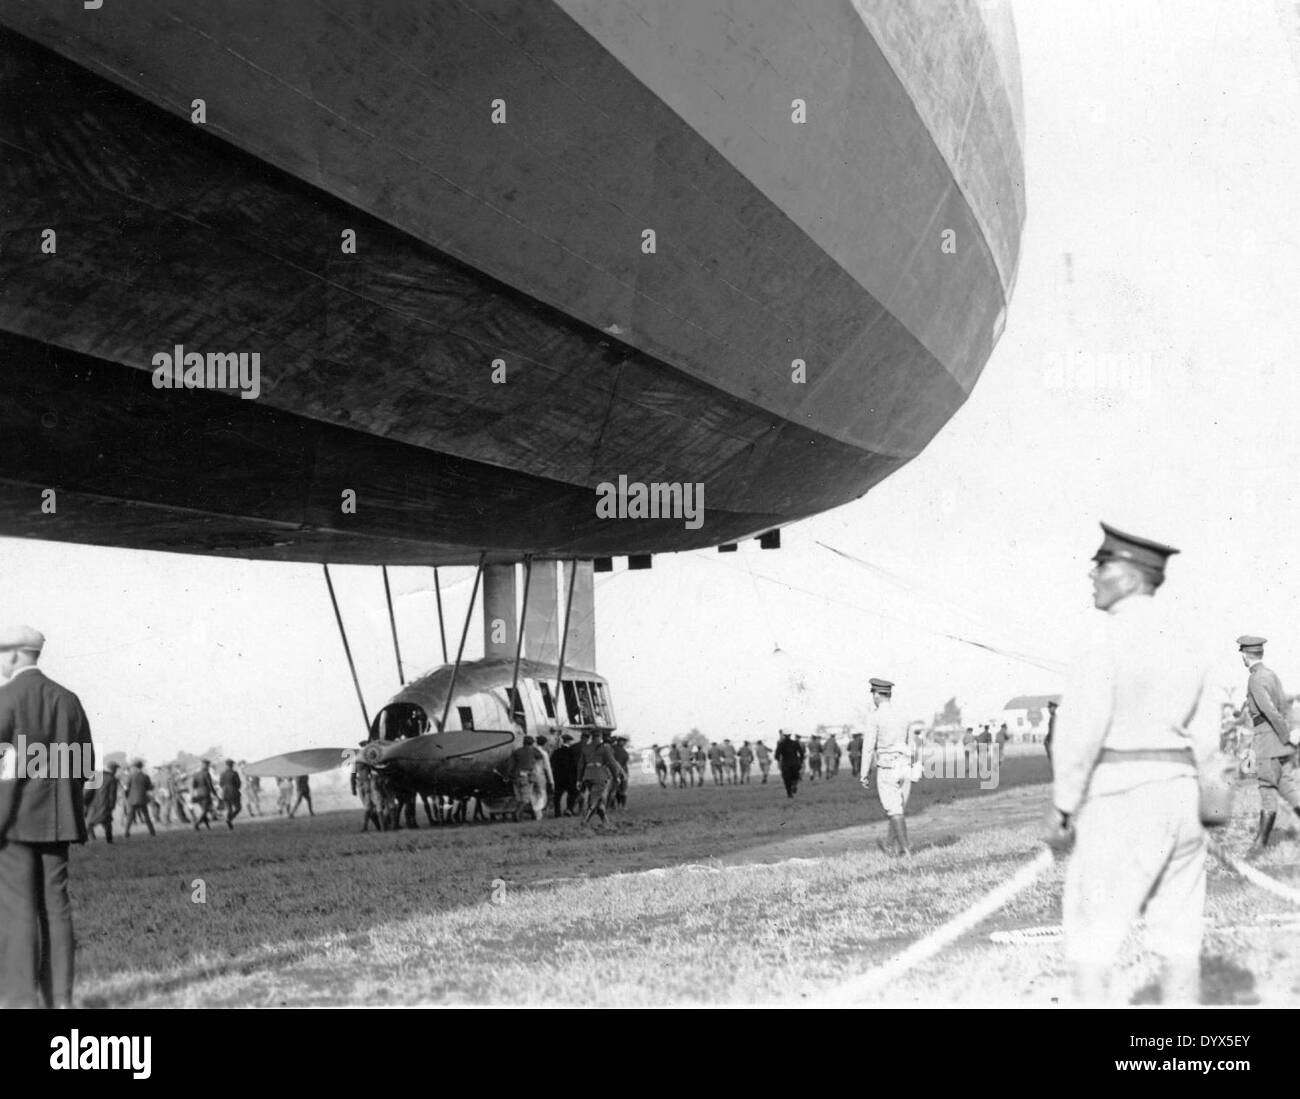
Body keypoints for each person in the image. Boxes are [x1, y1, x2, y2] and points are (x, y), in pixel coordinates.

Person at [1044, 522, 1218, 1004]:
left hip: (1121, 799)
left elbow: (1079, 733)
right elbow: (1209, 742)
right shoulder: (1189, 643)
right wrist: (1209, 807)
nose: (1092, 575)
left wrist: (1062, 809)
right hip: (1183, 800)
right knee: (1179, 944)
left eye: (1101, 565)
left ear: (1130, 575)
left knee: (1091, 945)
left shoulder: (1103, 637)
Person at [0, 625, 94, 1009]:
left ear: (14, 654)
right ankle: (61, 1001)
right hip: (58, 823)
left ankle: (22, 1001)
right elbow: (88, 767)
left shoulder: (5, 699)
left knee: (17, 911)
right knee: (56, 909)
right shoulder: (69, 700)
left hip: (13, 824)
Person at [1236, 635, 1300, 855]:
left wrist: (1285, 735)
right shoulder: (1272, 675)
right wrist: (1291, 734)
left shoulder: (1254, 679)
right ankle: (1259, 846)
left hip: (1268, 744)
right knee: (1289, 789)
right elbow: (1284, 706)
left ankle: (1257, 849)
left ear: (1245, 655)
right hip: (1283, 747)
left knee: (1267, 791)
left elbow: (1270, 711)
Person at [861, 678, 914, 857]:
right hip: (905, 765)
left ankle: (906, 851)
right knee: (898, 807)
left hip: (887, 766)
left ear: (876, 694)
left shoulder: (874, 717)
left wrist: (864, 772)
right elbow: (912, 744)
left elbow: (868, 747)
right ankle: (889, 845)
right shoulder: (905, 715)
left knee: (894, 809)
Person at [578, 731, 626, 826]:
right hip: (599, 775)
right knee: (595, 799)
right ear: (600, 737)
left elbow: (580, 765)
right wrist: (616, 776)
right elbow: (612, 763)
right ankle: (585, 820)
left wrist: (579, 779)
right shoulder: (604, 748)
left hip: (587, 776)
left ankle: (605, 821)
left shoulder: (585, 748)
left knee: (598, 799)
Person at [507, 736, 550, 821]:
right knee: (525, 799)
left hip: (516, 777)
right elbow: (540, 756)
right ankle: (516, 814)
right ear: (532, 743)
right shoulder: (532, 751)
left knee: (519, 798)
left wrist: (511, 775)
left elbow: (510, 766)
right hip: (527, 776)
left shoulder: (517, 751)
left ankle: (519, 816)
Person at [84, 761, 120, 844]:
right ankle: (109, 840)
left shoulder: (96, 776)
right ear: (113, 769)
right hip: (105, 805)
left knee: (90, 823)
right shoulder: (112, 779)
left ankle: (85, 839)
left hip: (93, 804)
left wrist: (85, 801)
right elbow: (112, 795)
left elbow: (88, 790)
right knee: (107, 823)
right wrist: (112, 806)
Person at [123, 759, 156, 837]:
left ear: (135, 767)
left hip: (132, 799)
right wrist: (152, 786)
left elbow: (126, 788)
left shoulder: (130, 776)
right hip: (142, 799)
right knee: (146, 816)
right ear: (141, 767)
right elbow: (149, 788)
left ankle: (126, 833)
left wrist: (127, 796)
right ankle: (152, 832)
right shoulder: (146, 776)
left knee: (130, 817)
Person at [551, 733, 579, 816]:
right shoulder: (572, 752)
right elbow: (574, 765)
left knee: (557, 795)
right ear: (569, 741)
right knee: (572, 793)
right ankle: (569, 809)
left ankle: (557, 812)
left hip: (558, 777)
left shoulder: (556, 752)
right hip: (569, 777)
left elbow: (552, 763)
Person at [774, 730, 804, 798]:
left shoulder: (781, 744)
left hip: (785, 764)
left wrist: (779, 760)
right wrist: (800, 761)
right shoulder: (795, 743)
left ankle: (789, 793)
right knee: (795, 777)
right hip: (795, 763)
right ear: (790, 735)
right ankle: (794, 785)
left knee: (787, 779)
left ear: (784, 735)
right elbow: (801, 754)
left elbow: (776, 755)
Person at [190, 759, 216, 830]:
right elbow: (210, 785)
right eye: (208, 765)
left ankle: (207, 826)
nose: (208, 767)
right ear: (206, 765)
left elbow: (193, 786)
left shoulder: (196, 774)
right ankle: (197, 824)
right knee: (205, 810)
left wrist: (192, 795)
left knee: (203, 810)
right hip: (205, 793)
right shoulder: (206, 773)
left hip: (198, 793)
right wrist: (215, 793)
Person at [219, 759, 242, 830]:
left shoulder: (222, 774)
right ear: (232, 765)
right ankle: (229, 819)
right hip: (233, 792)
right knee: (238, 808)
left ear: (226, 765)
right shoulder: (234, 773)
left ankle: (229, 820)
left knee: (229, 809)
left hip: (224, 792)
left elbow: (221, 784)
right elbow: (238, 784)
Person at [610, 736, 630, 809]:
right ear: (618, 741)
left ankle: (621, 806)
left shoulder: (623, 751)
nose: (623, 743)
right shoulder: (614, 749)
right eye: (622, 741)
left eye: (624, 741)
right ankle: (617, 806)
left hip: (622, 772)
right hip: (618, 772)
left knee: (622, 790)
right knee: (616, 790)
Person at [1044, 700, 1058, 773]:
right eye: (1049, 708)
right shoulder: (1052, 718)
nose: (1049, 709)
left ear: (1055, 708)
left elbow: (1053, 731)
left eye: (1051, 708)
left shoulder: (1054, 718)